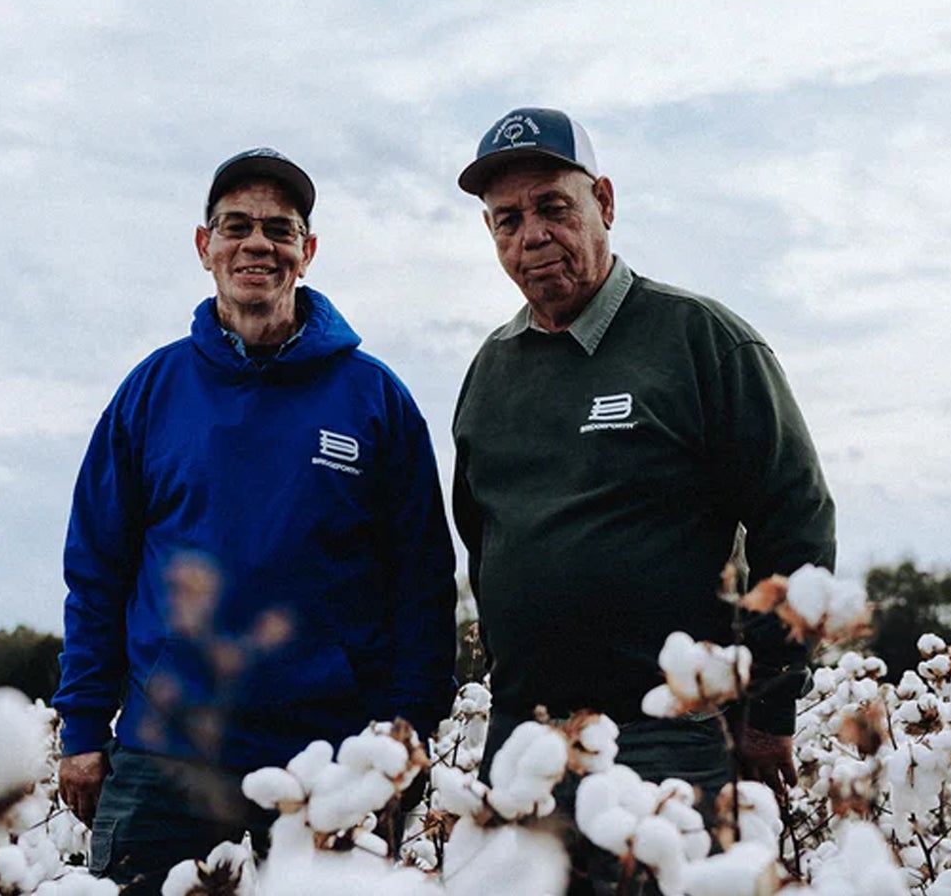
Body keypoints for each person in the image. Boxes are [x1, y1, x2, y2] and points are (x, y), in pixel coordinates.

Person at [450, 108, 836, 887]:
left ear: (605, 203)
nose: (531, 235)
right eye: (507, 219)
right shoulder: (490, 372)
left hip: (668, 743)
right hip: (525, 747)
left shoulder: (702, 342)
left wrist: (768, 711)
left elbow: (796, 526)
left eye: (554, 208)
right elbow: (482, 539)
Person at [54, 148, 457, 891]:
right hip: (164, 755)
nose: (257, 244)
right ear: (204, 247)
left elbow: (423, 581)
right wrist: (82, 728)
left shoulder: (375, 400)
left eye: (279, 228)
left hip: (327, 761)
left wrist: (408, 733)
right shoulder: (151, 392)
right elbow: (97, 568)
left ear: (307, 251)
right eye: (235, 226)